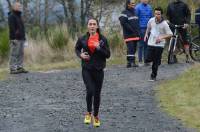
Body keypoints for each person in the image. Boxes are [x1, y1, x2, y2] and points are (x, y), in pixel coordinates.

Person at [75, 18, 110, 127]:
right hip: (87, 69)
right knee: (90, 90)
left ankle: (96, 116)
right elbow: (76, 49)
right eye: (90, 24)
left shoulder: (102, 39)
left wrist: (99, 48)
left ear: (97, 26)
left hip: (99, 69)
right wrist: (80, 55)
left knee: (97, 94)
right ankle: (88, 113)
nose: (92, 26)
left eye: (94, 24)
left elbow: (108, 55)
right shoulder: (82, 39)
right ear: (87, 26)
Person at [144, 7, 173, 81]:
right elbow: (148, 28)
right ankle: (157, 60)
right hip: (151, 42)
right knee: (147, 59)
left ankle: (153, 76)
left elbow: (170, 34)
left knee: (155, 62)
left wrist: (161, 38)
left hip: (159, 45)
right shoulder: (151, 20)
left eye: (158, 14)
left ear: (161, 14)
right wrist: (146, 34)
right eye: (155, 13)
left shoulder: (164, 24)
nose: (157, 15)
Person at [8, 1, 28, 74]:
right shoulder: (11, 16)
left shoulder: (19, 16)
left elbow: (22, 28)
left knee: (21, 53)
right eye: (18, 6)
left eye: (20, 6)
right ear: (14, 7)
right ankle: (12, 68)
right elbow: (12, 28)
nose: (20, 7)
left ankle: (19, 67)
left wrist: (24, 38)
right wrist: (13, 38)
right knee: (14, 53)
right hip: (15, 39)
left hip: (21, 38)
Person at [119, 0, 140, 68]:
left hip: (135, 35)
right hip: (128, 35)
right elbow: (123, 23)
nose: (134, 4)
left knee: (133, 49)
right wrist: (131, 30)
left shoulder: (135, 12)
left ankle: (129, 62)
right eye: (132, 3)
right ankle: (132, 62)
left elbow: (136, 23)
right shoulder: (124, 12)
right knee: (131, 48)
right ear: (128, 4)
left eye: (134, 3)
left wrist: (138, 32)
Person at [135, 0, 153, 66]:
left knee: (147, 45)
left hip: (149, 29)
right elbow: (136, 19)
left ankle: (146, 61)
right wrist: (137, 30)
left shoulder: (150, 7)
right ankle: (140, 61)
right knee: (141, 45)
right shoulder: (137, 8)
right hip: (141, 28)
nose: (146, 0)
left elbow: (152, 18)